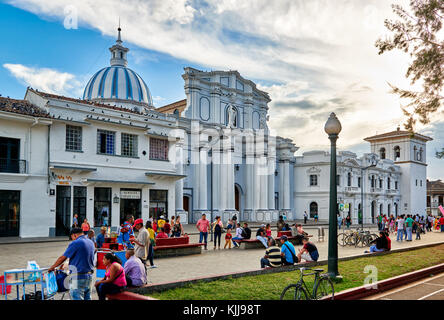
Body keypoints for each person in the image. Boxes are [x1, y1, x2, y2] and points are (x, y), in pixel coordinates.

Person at [48, 228, 95, 300]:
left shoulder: (76, 243)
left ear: (74, 235)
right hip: (89, 276)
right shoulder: (90, 242)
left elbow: (63, 257)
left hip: (77, 277)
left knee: (77, 297)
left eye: (72, 237)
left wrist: (52, 267)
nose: (72, 239)